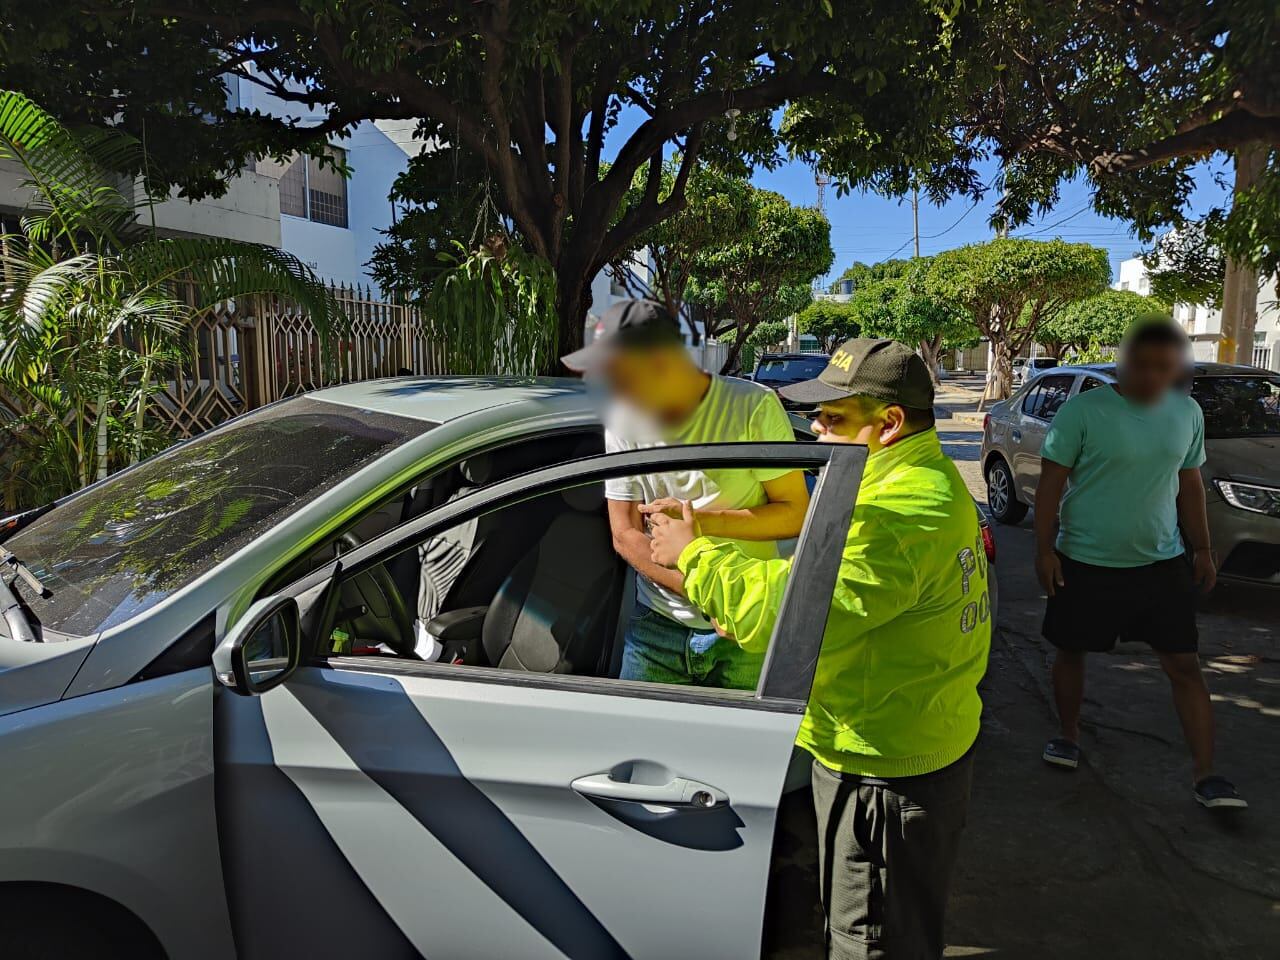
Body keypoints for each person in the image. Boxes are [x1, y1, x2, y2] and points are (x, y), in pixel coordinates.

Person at [648, 338, 991, 960]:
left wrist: (693, 554)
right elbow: (830, 585)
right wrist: (716, 535)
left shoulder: (898, 513)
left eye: (832, 418)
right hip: (897, 735)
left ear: (888, 424)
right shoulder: (908, 479)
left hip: (882, 767)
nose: (813, 427)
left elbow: (794, 608)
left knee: (869, 942)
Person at [1035, 320, 1247, 810]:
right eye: (1142, 364)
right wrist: (1044, 551)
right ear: (1122, 361)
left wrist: (1202, 548)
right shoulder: (1082, 412)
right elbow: (1049, 487)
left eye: (1163, 366)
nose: (1152, 375)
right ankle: (1068, 735)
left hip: (1161, 564)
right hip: (1085, 561)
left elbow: (1189, 484)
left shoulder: (1187, 413)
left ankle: (1207, 774)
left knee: (1184, 665)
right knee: (1071, 652)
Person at [561, 299, 809, 689]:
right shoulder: (624, 419)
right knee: (637, 745)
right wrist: (702, 594)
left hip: (744, 628)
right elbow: (624, 533)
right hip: (658, 625)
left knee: (741, 748)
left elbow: (795, 512)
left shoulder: (751, 407)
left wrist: (701, 524)